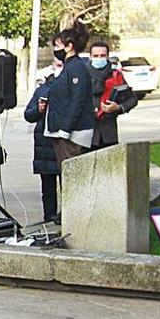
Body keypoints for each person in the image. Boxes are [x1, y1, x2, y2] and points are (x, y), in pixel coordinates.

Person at [44, 28, 96, 165]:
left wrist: (66, 129)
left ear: (69, 46)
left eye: (57, 46)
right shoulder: (69, 66)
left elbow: (78, 99)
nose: (55, 50)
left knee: (71, 175)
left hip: (72, 134)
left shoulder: (76, 67)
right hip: (63, 131)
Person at [25, 59, 63, 223]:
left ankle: (66, 217)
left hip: (63, 142)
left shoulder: (72, 86)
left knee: (67, 185)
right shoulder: (43, 89)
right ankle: (49, 217)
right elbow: (28, 114)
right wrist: (39, 110)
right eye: (58, 65)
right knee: (48, 187)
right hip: (44, 144)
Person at [87, 42, 139, 149]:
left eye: (102, 56)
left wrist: (119, 107)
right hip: (87, 133)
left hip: (108, 132)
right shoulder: (82, 74)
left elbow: (132, 99)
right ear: (90, 57)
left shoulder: (115, 75)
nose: (99, 58)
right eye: (96, 56)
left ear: (108, 57)